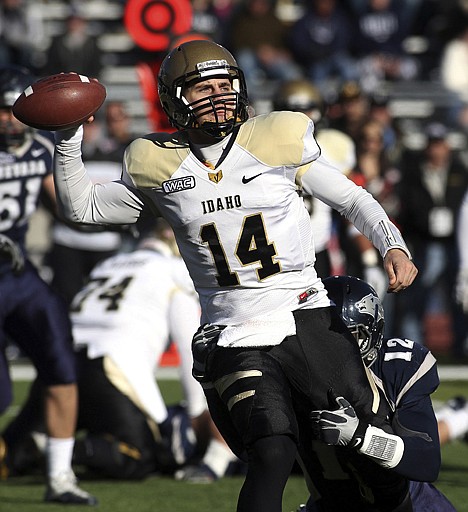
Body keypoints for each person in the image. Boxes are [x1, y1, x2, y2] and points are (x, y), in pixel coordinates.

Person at [50, 40, 417, 512]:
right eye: (204, 88)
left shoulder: (277, 136)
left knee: (366, 446)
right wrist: (67, 141)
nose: (219, 96)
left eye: (226, 85)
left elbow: (352, 198)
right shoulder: (154, 161)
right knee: (272, 451)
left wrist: (392, 243)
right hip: (232, 332)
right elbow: (83, 207)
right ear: (174, 100)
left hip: (305, 313)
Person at [2, 219, 237, 481]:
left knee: (10, 447)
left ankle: (35, 445)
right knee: (140, 456)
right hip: (111, 368)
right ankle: (54, 449)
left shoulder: (110, 263)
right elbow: (189, 345)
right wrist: (197, 411)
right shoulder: (174, 270)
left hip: (63, 361)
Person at [0, 66, 96, 505]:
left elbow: (63, 207)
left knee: (61, 364)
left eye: (10, 111)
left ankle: (60, 477)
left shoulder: (40, 148)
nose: (5, 120)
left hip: (18, 276)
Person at [300, 275, 456, 511]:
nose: (337, 351)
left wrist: (360, 436)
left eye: (350, 338)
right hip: (332, 502)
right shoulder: (295, 369)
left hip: (405, 503)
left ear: (373, 333)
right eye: (327, 341)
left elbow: (425, 462)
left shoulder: (398, 368)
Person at [395, 122, 468, 356]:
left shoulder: (459, 171)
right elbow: (407, 206)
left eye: (440, 144)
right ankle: (414, 347)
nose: (437, 150)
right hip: (425, 241)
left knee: (458, 295)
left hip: (454, 243)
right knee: (418, 296)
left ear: (447, 146)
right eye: (433, 144)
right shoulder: (414, 172)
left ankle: (461, 345)